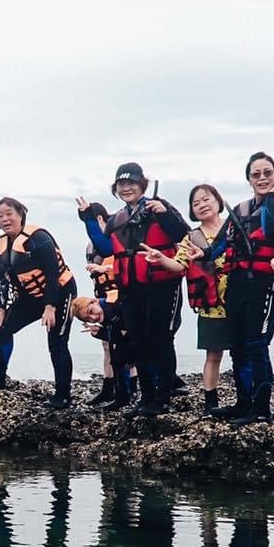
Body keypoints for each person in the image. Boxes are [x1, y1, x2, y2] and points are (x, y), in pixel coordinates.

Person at [101, 163, 191, 416]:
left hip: (162, 285)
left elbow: (183, 234)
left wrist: (163, 213)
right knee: (138, 342)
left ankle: (163, 397)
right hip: (132, 290)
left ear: (143, 184)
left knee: (161, 340)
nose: (126, 187)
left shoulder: (158, 207)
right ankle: (146, 396)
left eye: (131, 183)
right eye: (121, 184)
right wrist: (87, 218)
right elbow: (105, 248)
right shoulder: (116, 218)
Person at [206, 152, 274, 424]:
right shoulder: (238, 211)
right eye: (256, 174)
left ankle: (261, 409)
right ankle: (243, 403)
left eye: (267, 173)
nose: (262, 178)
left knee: (256, 346)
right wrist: (199, 253)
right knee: (237, 347)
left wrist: (271, 199)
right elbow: (216, 246)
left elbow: (273, 228)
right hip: (237, 285)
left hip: (263, 286)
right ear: (248, 179)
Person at [0, 196, 77, 410]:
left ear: (20, 215)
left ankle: (63, 396)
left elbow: (53, 274)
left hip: (61, 293)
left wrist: (50, 307)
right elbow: (0, 278)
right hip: (29, 296)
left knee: (57, 342)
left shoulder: (38, 237)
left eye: (9, 214)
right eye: (0, 216)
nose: (5, 219)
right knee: (3, 331)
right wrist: (0, 308)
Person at [76, 199, 133, 410]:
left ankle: (132, 388)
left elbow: (125, 268)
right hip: (102, 297)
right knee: (107, 344)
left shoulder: (116, 240)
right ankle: (109, 388)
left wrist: (104, 271)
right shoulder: (91, 248)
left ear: (100, 219)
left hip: (121, 299)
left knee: (128, 342)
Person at [183, 184, 232, 413]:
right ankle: (211, 402)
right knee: (214, 354)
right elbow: (178, 264)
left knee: (246, 353)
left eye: (206, 199)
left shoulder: (235, 227)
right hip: (211, 306)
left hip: (241, 301)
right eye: (196, 203)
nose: (202, 205)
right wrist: (161, 259)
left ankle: (248, 400)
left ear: (218, 200)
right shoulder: (192, 237)